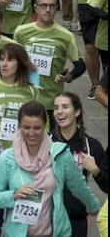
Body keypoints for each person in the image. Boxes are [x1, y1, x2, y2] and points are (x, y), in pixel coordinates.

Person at [0, 100, 101, 237]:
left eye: (37, 128)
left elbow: (79, 186)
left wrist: (96, 207)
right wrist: (13, 195)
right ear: (19, 126)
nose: (32, 133)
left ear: (45, 126)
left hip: (55, 233)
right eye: (26, 128)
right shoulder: (7, 158)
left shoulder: (59, 155)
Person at [50, 91, 107, 237]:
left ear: (77, 111)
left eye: (65, 107)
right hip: (47, 218)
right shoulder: (46, 142)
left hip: (76, 219)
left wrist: (95, 171)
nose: (59, 112)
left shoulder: (91, 146)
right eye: (56, 108)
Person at [14, 0, 83, 108]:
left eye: (51, 6)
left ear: (56, 8)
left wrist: (68, 77)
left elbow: (80, 65)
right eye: (43, 5)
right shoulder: (21, 32)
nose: (47, 9)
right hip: (24, 99)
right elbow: (10, 61)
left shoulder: (66, 36)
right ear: (36, 8)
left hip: (51, 102)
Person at [0, 43, 41, 150]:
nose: (4, 64)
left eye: (10, 60)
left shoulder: (33, 91)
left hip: (23, 153)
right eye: (1, 59)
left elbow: (40, 123)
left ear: (20, 63)